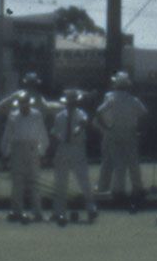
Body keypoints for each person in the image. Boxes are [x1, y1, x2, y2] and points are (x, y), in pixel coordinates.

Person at [97, 73, 149, 207]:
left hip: (113, 132)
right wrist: (141, 131)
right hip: (129, 133)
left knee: (118, 162)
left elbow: (99, 112)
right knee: (133, 162)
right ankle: (137, 188)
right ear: (127, 86)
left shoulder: (110, 98)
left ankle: (118, 190)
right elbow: (144, 114)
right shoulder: (133, 100)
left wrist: (106, 127)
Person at [50, 87, 98, 224]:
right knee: (60, 181)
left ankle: (91, 209)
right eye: (69, 102)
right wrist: (55, 144)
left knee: (83, 180)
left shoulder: (81, 114)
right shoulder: (60, 116)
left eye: (73, 102)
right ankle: (59, 212)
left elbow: (83, 123)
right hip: (63, 148)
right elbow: (54, 132)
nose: (71, 104)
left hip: (77, 148)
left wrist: (77, 129)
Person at [1, 88, 50, 223]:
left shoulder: (36, 115)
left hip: (32, 148)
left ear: (29, 102)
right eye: (22, 102)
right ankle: (17, 212)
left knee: (34, 182)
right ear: (19, 103)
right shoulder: (13, 116)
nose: (24, 105)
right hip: (17, 149)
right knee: (17, 183)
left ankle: (37, 213)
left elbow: (42, 133)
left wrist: (42, 152)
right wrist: (5, 153)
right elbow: (7, 136)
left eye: (26, 102)